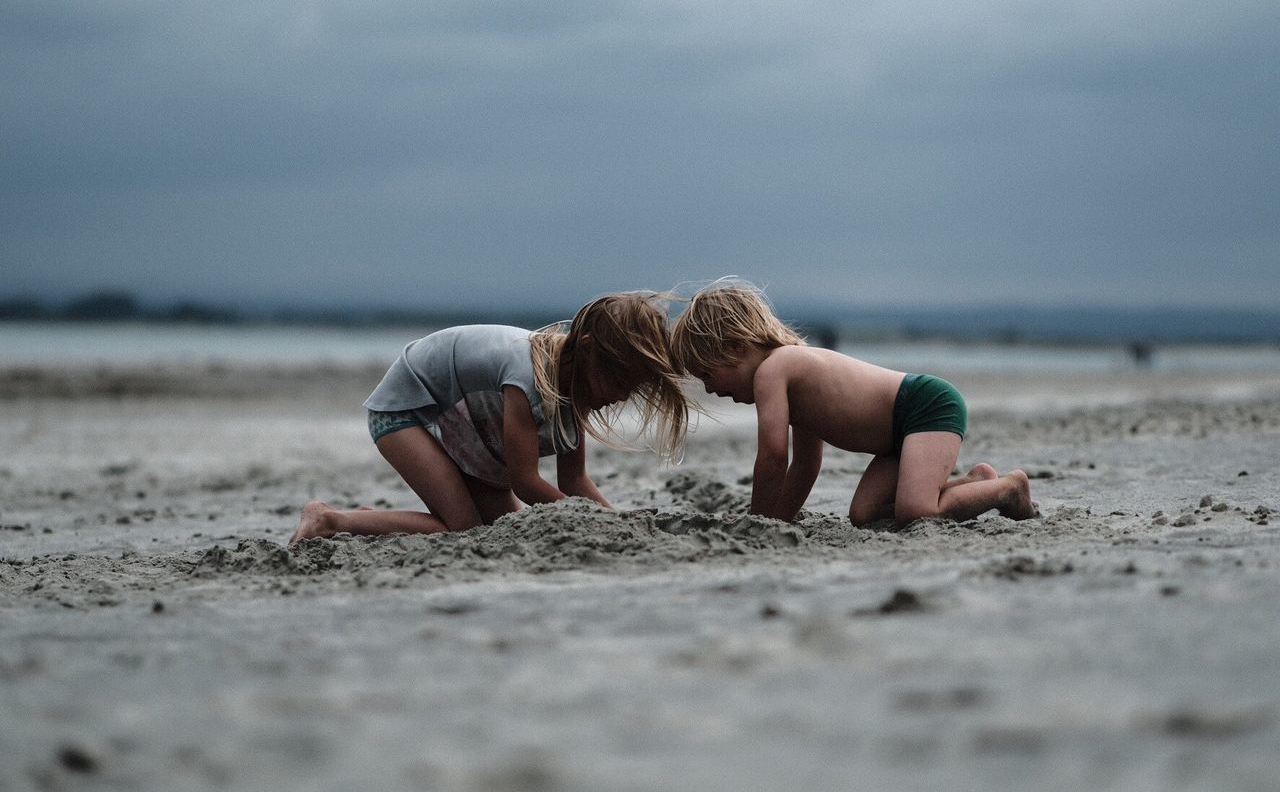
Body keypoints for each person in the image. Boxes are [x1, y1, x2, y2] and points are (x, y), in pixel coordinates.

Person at [290, 292, 688, 543]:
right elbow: (527, 481)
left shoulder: (573, 384)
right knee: (461, 530)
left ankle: (375, 522)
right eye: (619, 380)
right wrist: (590, 520)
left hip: (463, 422)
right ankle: (330, 519)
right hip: (405, 409)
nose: (621, 395)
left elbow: (574, 479)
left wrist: (613, 519)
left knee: (502, 530)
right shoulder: (527, 375)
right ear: (587, 349)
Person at [670, 281, 1036, 527]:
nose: (710, 388)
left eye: (707, 374)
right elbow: (806, 462)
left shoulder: (774, 370)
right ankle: (976, 483)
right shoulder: (791, 375)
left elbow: (773, 457)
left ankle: (1009, 488)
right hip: (898, 436)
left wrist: (756, 522)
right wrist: (775, 522)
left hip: (925, 406)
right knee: (865, 514)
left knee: (916, 511)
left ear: (735, 347)